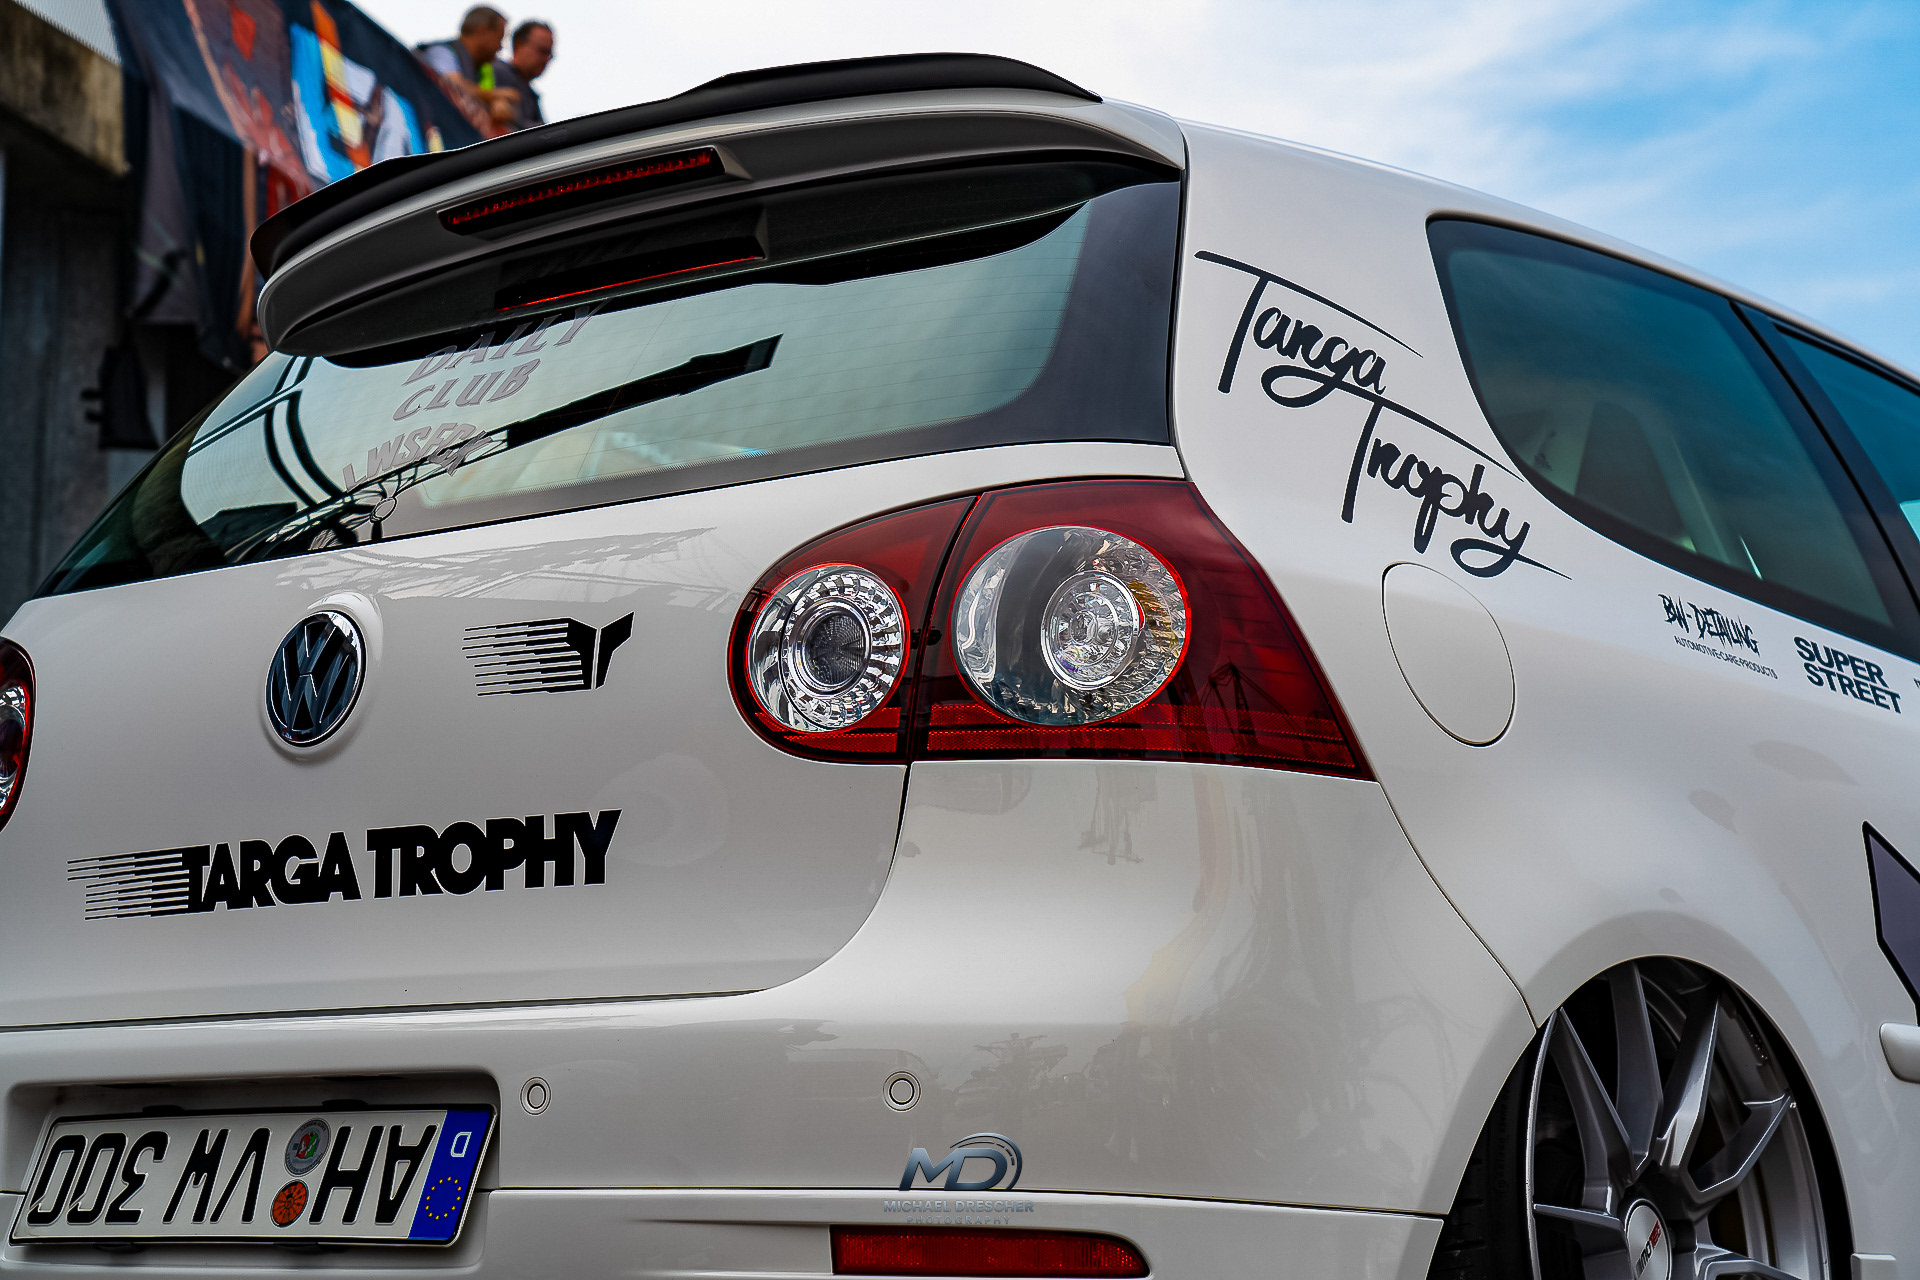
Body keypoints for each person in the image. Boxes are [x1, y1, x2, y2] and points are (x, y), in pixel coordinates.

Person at [418, 6, 518, 133]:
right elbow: (451, 85)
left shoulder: (484, 70)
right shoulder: (442, 52)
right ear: (483, 30)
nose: (500, 47)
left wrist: (497, 102)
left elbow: (485, 94)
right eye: (499, 38)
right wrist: (499, 94)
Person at [491, 20, 553, 132]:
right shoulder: (497, 71)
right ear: (518, 45)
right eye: (542, 51)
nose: (546, 59)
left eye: (549, 54)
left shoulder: (531, 94)